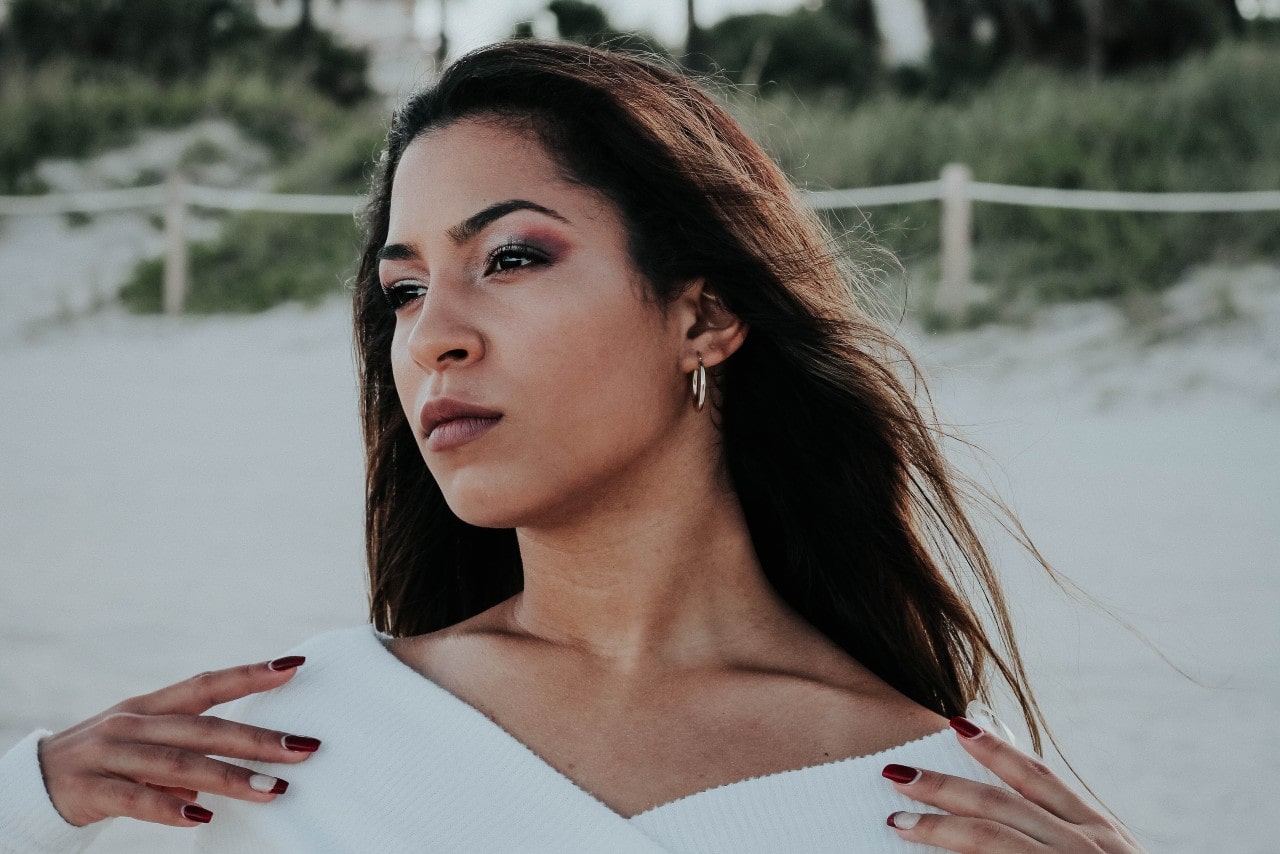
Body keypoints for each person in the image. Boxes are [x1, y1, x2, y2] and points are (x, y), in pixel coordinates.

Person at [0, 41, 1146, 853]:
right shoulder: (287, 741)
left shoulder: (959, 803)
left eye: (508, 258)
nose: (431, 338)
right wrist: (29, 799)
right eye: (401, 292)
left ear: (701, 314)